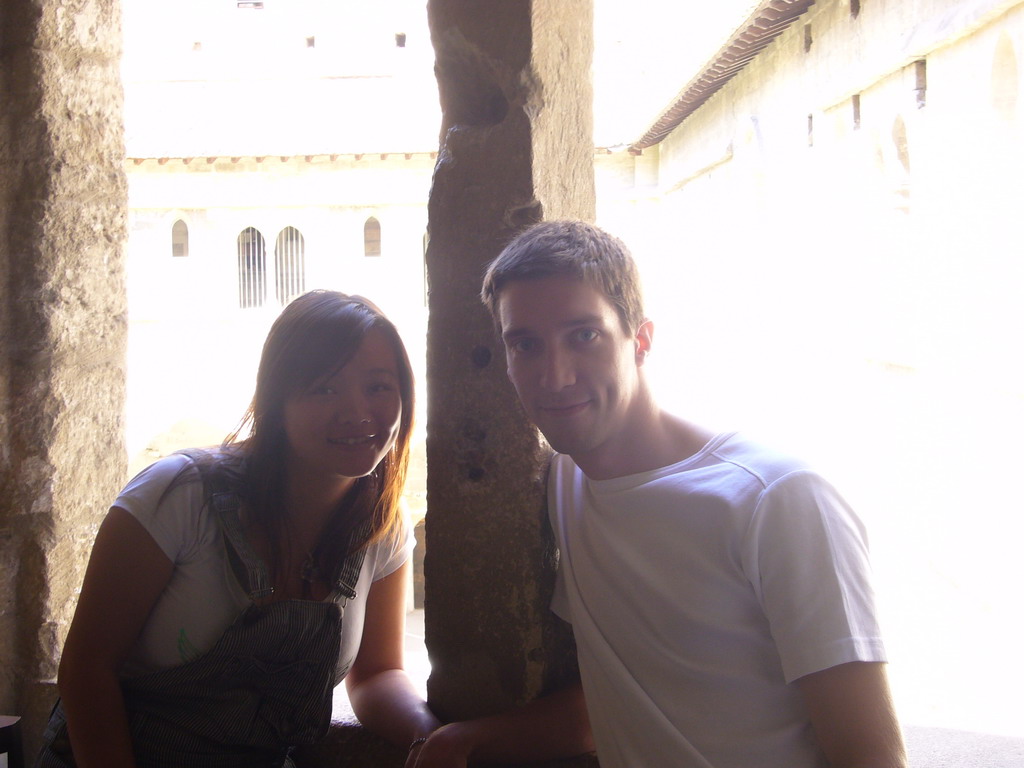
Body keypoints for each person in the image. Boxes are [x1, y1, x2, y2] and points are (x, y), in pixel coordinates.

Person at [472, 220, 907, 768]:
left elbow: (870, 755)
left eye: (584, 335)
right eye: (525, 344)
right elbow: (619, 702)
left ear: (642, 341)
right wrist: (469, 738)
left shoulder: (775, 499)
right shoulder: (565, 484)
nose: (554, 377)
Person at [36, 290, 441, 768]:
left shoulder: (381, 525)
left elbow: (376, 674)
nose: (357, 412)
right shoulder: (178, 496)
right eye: (325, 388)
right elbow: (87, 670)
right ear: (277, 397)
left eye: (378, 386)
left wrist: (432, 736)